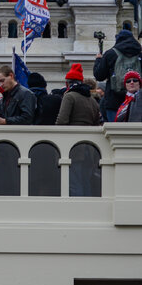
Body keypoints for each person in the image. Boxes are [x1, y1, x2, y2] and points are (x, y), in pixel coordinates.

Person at [0, 65, 36, 195]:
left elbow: (28, 118)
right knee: (5, 181)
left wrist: (5, 121)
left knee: (17, 181)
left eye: (2, 80)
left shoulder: (25, 94)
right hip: (6, 146)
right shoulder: (5, 97)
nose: (1, 84)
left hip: (20, 146)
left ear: (11, 76)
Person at [57, 64, 102, 197]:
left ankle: (78, 214)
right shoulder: (92, 100)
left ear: (69, 83)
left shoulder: (69, 96)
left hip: (74, 148)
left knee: (75, 184)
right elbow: (96, 123)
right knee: (86, 183)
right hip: (90, 149)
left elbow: (61, 121)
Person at [94, 28, 142, 122]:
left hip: (114, 101)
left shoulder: (111, 54)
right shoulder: (139, 55)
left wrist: (98, 60)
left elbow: (99, 76)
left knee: (115, 132)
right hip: (138, 101)